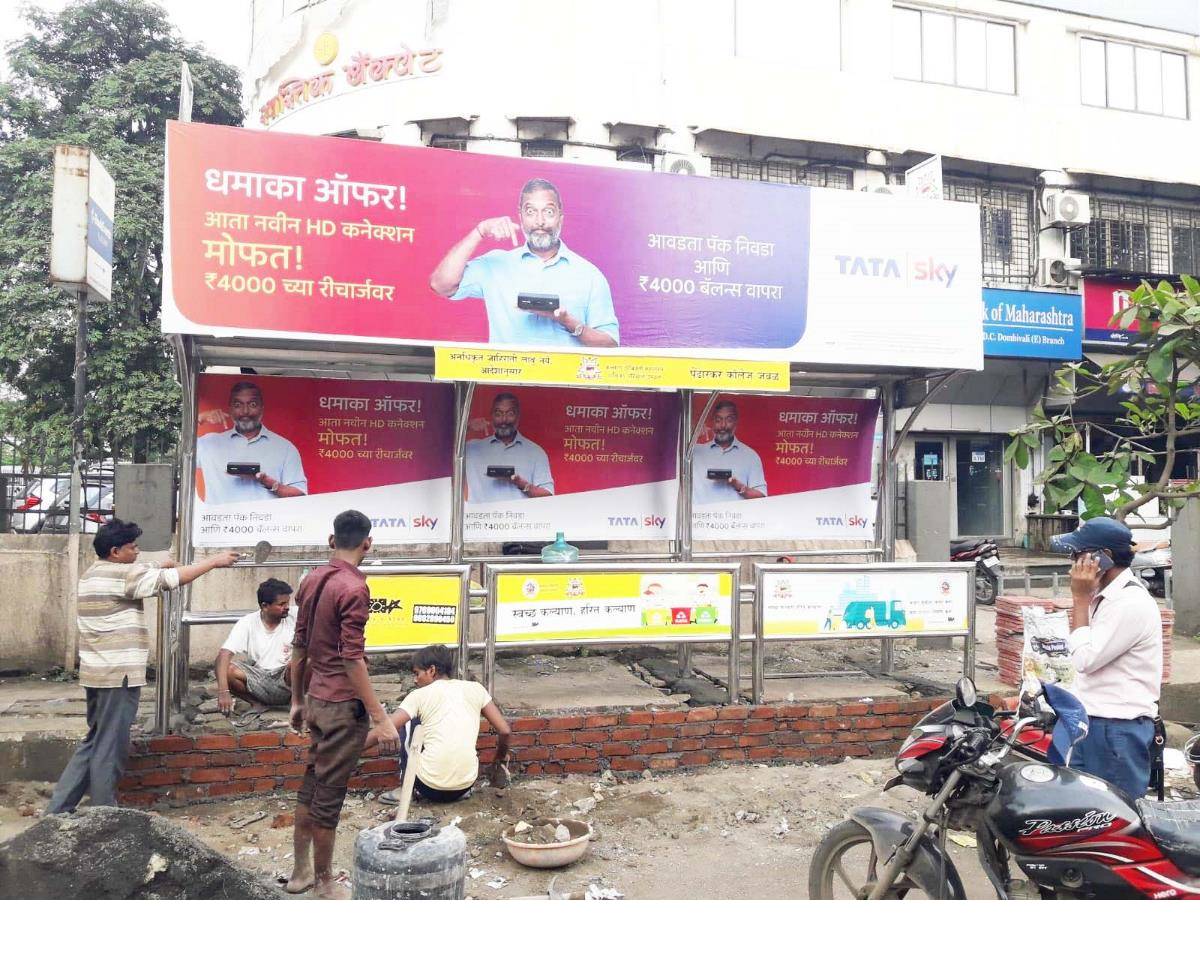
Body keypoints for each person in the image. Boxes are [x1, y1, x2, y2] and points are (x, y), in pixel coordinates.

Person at [47, 520, 239, 814]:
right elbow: (172, 580)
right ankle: (105, 813)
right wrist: (213, 561)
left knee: (95, 740)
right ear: (115, 551)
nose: (137, 552)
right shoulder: (124, 576)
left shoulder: (95, 573)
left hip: (98, 673)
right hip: (118, 674)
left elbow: (148, 571)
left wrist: (159, 564)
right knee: (110, 746)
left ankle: (59, 809)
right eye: (132, 547)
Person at [286, 510, 400, 899]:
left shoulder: (311, 579)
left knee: (310, 786)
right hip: (340, 706)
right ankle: (323, 884)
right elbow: (352, 658)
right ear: (367, 543)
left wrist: (297, 700)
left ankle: (300, 873)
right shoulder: (353, 588)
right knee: (329, 796)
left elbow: (299, 646)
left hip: (316, 698)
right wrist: (380, 718)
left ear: (332, 541)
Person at [429, 176, 619, 348]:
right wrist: (480, 231)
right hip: (506, 384)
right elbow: (441, 285)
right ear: (520, 217)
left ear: (560, 219)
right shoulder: (495, 264)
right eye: (531, 212)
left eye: (549, 212)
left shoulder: (589, 275)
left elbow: (610, 344)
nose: (540, 221)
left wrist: (569, 322)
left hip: (564, 385)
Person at [1054, 516, 1163, 800]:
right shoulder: (1105, 597)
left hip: (1116, 730)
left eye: (1078, 554)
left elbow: (1085, 659)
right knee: (1082, 814)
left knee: (1113, 820)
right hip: (1095, 724)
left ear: (1103, 558)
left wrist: (1079, 599)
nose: (1073, 562)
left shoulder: (1129, 604)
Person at [370, 645, 511, 805]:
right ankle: (455, 787)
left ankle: (406, 790)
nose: (415, 680)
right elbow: (505, 731)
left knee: (409, 720)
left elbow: (387, 728)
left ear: (431, 670)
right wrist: (498, 760)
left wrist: (350, 751)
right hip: (465, 786)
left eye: (417, 673)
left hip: (427, 787)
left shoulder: (418, 696)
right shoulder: (476, 689)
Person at [196, 380, 308, 505]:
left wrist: (269, 483)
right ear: (230, 409)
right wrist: (199, 418)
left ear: (262, 408)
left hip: (267, 524)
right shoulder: (209, 443)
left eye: (252, 404)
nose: (245, 411)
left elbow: (300, 495)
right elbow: (179, 456)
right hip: (220, 524)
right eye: (238, 405)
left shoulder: (284, 447)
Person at [214, 578, 296, 712]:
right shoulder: (247, 622)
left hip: (287, 678)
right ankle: (256, 704)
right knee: (224, 668)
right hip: (259, 678)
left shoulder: (295, 614)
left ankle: (296, 703)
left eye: (288, 602)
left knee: (302, 662)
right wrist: (223, 691)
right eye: (281, 604)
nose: (287, 606)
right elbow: (224, 654)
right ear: (265, 606)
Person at [464, 392, 554, 503]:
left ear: (518, 416)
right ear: (491, 415)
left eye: (510, 413)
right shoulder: (472, 448)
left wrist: (520, 483)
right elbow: (441, 448)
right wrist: (467, 427)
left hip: (521, 519)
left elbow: (548, 495)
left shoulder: (536, 452)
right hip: (481, 519)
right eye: (498, 414)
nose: (504, 420)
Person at [692, 400, 767, 506]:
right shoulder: (694, 452)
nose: (723, 425)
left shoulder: (750, 456)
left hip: (735, 521)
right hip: (702, 520)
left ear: (736, 422)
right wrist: (693, 436)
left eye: (729, 420)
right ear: (713, 422)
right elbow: (670, 457)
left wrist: (738, 486)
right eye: (718, 420)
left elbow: (762, 497)